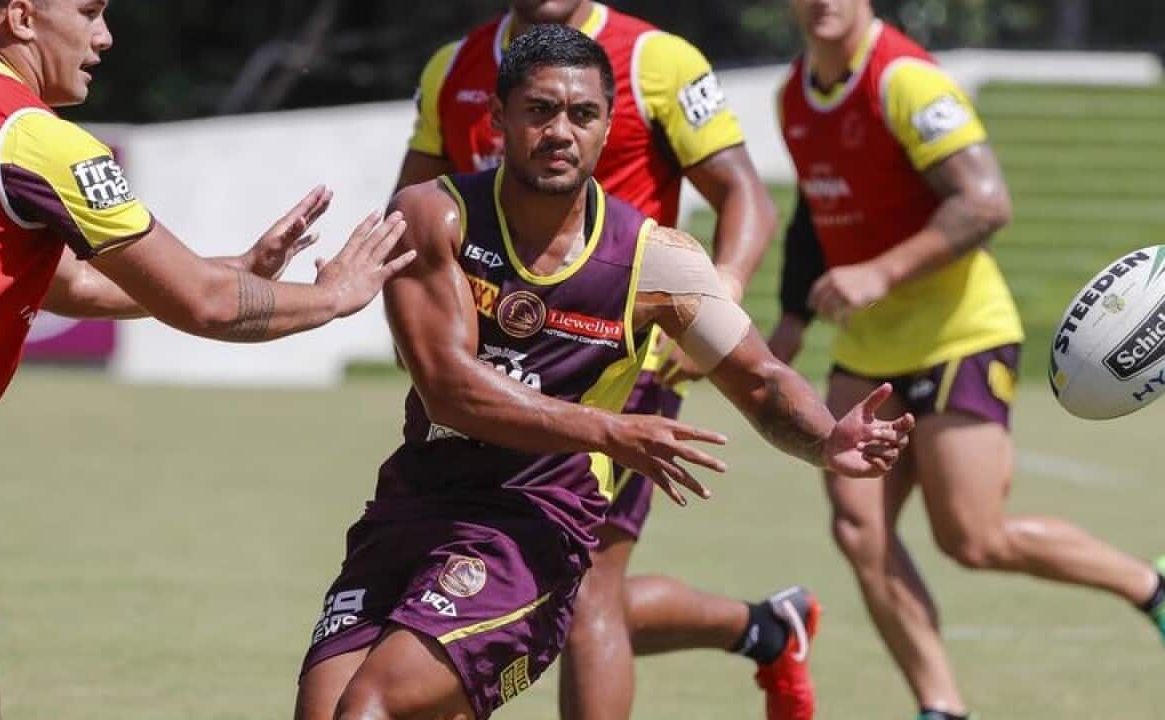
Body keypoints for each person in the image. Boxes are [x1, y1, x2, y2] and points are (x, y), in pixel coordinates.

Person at [295, 25, 914, 720]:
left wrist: (826, 439)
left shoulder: (658, 262)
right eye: (540, 111)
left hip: (529, 527)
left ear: (607, 127)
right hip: (412, 506)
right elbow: (448, 387)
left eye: (583, 115)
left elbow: (762, 379)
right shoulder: (432, 216)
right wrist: (607, 430)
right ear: (498, 120)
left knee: (371, 708)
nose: (561, 131)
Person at [768, 1, 1165, 717]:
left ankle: (1160, 590)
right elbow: (813, 215)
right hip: (867, 345)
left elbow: (985, 204)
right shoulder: (793, 95)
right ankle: (942, 707)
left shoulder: (907, 82)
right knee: (859, 527)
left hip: (961, 333)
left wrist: (881, 272)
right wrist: (791, 321)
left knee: (972, 538)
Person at [0, 1, 414, 716]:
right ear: (20, 16)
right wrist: (329, 297)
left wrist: (240, 266)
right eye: (88, 11)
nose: (104, 36)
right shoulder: (34, 139)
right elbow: (205, 305)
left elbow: (69, 282)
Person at [395, 3, 820, 718]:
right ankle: (765, 628)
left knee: (586, 579)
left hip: (618, 364)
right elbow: (405, 217)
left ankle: (765, 630)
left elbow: (747, 196)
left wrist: (716, 308)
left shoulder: (658, 59)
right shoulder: (452, 67)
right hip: (487, 369)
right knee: (549, 582)